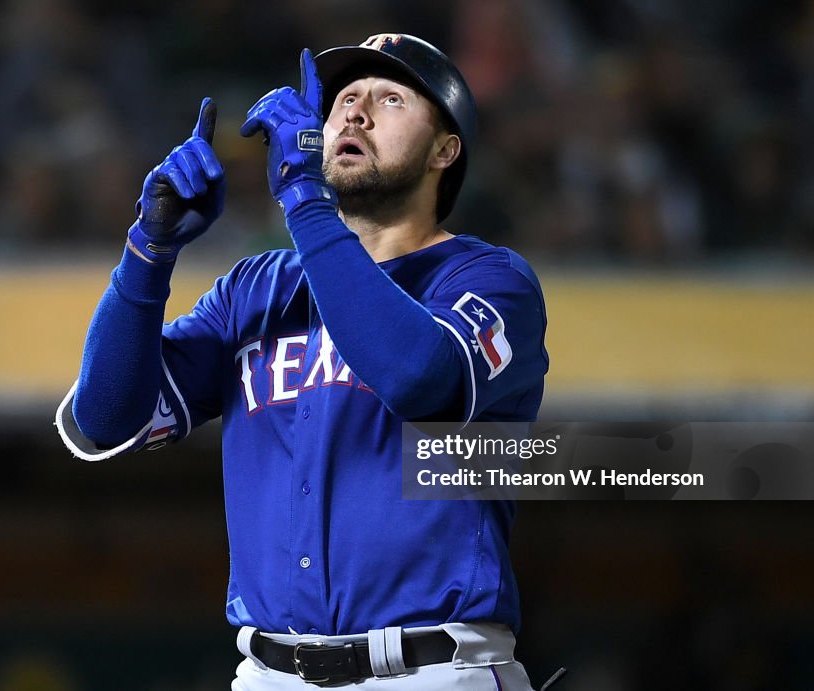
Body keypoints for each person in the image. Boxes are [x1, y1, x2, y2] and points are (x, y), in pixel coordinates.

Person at [56, 34, 550, 690]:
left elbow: (418, 377)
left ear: (445, 149)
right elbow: (105, 419)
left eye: (390, 99)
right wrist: (149, 248)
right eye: (345, 98)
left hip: (432, 668)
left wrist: (304, 199)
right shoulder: (255, 289)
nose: (355, 113)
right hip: (269, 671)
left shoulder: (490, 280)